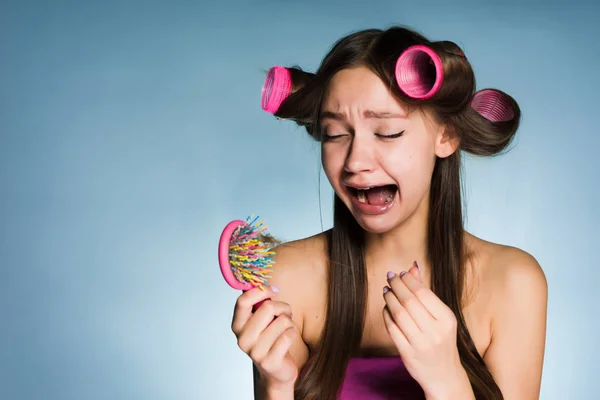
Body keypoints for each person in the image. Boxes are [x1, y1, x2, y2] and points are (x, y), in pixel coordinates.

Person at [230, 26, 548, 400]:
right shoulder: (285, 280)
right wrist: (277, 385)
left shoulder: (512, 283)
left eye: (387, 132)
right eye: (335, 134)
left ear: (446, 136)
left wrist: (447, 382)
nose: (356, 161)